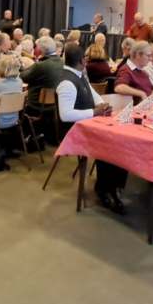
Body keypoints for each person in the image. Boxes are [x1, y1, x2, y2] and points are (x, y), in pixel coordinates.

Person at [55, 44, 121, 212]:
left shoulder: (79, 74)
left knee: (118, 141)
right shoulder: (67, 82)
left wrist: (103, 104)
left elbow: (93, 93)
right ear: (82, 61)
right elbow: (65, 115)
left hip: (86, 125)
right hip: (72, 132)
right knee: (109, 145)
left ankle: (112, 186)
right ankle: (104, 189)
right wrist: (94, 112)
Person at [20, 36, 64, 107]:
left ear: (41, 50)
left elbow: (23, 77)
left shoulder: (41, 65)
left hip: (36, 105)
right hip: (56, 105)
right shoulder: (63, 63)